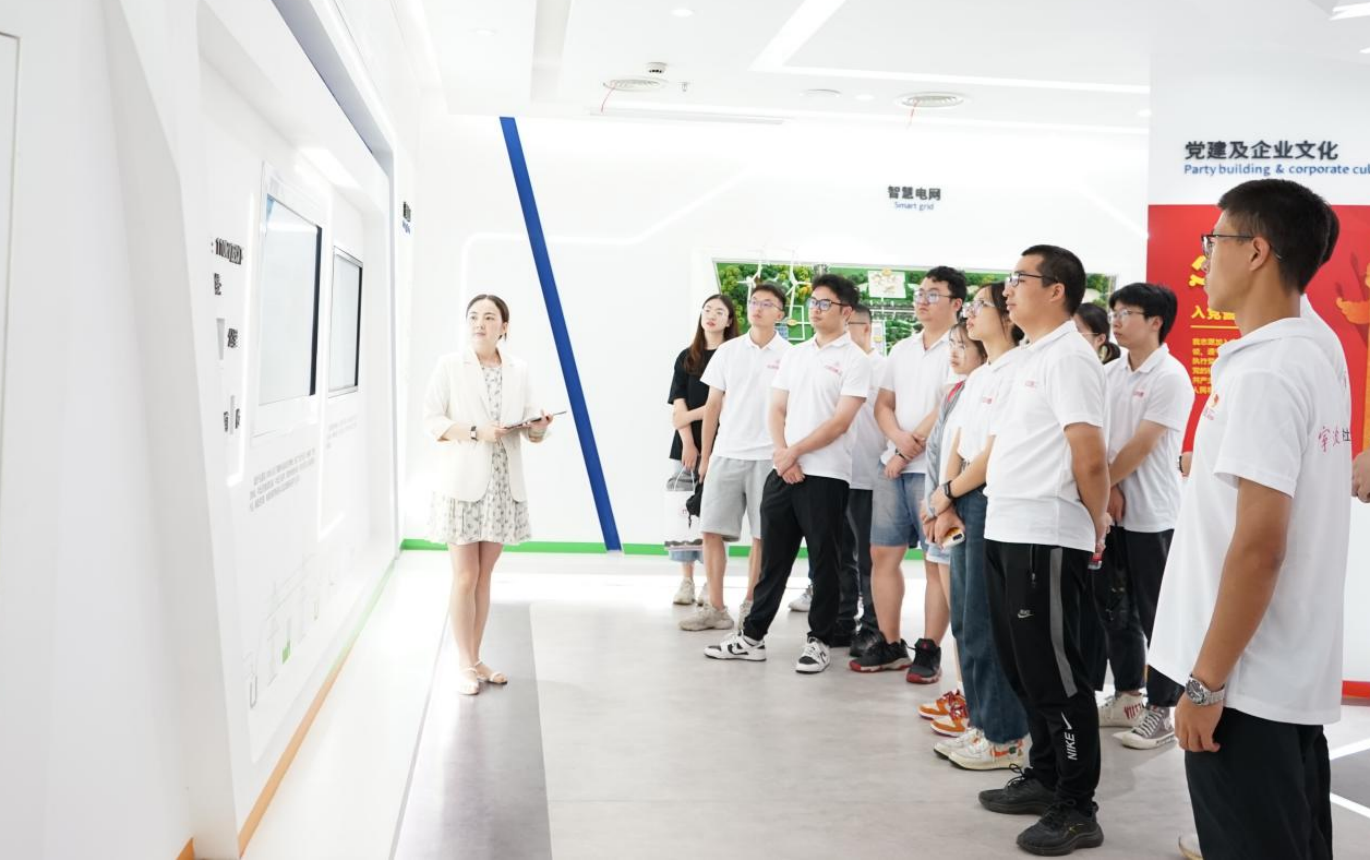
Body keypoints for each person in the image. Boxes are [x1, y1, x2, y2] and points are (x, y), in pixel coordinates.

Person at [1150, 179, 1351, 860]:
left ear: (1257, 251)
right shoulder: (1311, 351)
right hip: (1278, 674)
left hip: (1243, 686)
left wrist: (1205, 683)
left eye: (1215, 241)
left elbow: (1261, 546)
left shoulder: (1267, 373)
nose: (1206, 259)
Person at [976, 246, 1109, 856]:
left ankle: (1078, 806)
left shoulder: (1071, 357)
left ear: (1056, 290)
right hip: (1007, 528)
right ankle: (1047, 775)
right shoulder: (1032, 355)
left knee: (1056, 676)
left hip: (1046, 534)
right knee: (1023, 670)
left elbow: (1089, 455)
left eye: (1019, 278)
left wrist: (1097, 521)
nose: (1008, 289)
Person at [705, 274, 871, 673]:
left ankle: (819, 641)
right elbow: (776, 408)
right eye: (813, 302)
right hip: (783, 471)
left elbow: (840, 422)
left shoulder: (856, 360)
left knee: (825, 562)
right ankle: (752, 636)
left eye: (825, 303)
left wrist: (793, 452)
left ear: (846, 311)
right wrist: (783, 455)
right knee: (773, 561)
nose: (816, 309)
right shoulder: (795, 355)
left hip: (827, 474)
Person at [423, 294, 554, 696]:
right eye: (474, 317)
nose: (480, 323)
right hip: (462, 483)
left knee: (484, 577)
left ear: (504, 327)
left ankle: (476, 659)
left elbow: (531, 431)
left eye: (489, 317)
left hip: (501, 485)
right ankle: (463, 663)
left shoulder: (519, 369)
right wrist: (476, 432)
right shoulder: (450, 365)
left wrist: (539, 426)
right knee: (465, 576)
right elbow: (432, 420)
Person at [924, 282, 1031, 771]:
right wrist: (945, 497)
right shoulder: (982, 373)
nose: (970, 314)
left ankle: (1006, 738)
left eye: (981, 305)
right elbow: (959, 437)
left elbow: (995, 450)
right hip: (963, 494)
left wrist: (950, 491)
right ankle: (983, 723)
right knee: (965, 621)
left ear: (1007, 317)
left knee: (987, 622)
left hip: (988, 495)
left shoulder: (1020, 369)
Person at [1091, 283, 1194, 751]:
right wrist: (1108, 489)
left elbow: (1143, 444)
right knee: (1116, 609)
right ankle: (1128, 696)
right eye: (1114, 311)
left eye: (1126, 312)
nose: (1116, 320)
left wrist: (1105, 485)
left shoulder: (1171, 377)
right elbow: (1098, 435)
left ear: (1155, 321)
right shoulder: (1110, 372)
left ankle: (1162, 710)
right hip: (1112, 511)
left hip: (1153, 514)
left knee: (1157, 614)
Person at [852, 267, 965, 678]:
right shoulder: (902, 348)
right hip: (892, 467)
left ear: (956, 303)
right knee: (882, 554)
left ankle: (929, 649)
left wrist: (907, 448)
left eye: (933, 294)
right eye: (920, 293)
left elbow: (948, 406)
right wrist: (897, 442)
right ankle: (890, 642)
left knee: (936, 561)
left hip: (933, 471)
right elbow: (883, 404)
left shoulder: (961, 347)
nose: (922, 300)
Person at [681, 283, 790, 631]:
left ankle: (751, 606)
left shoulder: (791, 355)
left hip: (768, 458)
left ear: (780, 313)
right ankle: (715, 607)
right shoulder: (728, 351)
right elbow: (713, 406)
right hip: (726, 453)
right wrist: (706, 456)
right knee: (710, 530)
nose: (758, 307)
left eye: (767, 303)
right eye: (754, 301)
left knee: (763, 536)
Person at [907, 317, 984, 732]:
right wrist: (932, 501)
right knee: (958, 615)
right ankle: (964, 692)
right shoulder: (955, 390)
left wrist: (945, 501)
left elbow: (971, 455)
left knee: (968, 618)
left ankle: (975, 702)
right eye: (951, 343)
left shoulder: (983, 389)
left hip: (958, 509)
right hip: (941, 506)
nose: (953, 352)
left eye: (962, 345)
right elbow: (939, 451)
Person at [668, 295, 739, 607]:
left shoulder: (734, 355)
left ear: (729, 320)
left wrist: (692, 415)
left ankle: (712, 583)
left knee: (716, 517)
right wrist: (688, 441)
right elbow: (677, 405)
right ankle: (686, 580)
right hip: (685, 447)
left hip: (723, 444)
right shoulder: (687, 356)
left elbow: (724, 403)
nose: (711, 315)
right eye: (707, 310)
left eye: (719, 312)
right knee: (683, 515)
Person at [840, 303, 887, 655]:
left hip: (871, 477)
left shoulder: (883, 369)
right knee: (839, 555)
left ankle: (873, 625)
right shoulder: (837, 365)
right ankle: (843, 619)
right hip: (835, 474)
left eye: (849, 325)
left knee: (870, 559)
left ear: (867, 328)